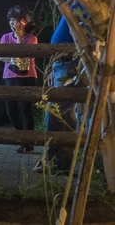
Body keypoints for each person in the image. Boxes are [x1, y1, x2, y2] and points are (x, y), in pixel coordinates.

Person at [36, 14, 80, 173]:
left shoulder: (85, 2)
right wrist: (53, 66)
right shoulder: (71, 3)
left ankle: (59, 162)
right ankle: (54, 159)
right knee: (56, 112)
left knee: (60, 112)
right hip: (61, 63)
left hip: (72, 62)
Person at [0, 5, 38, 153]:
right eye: (11, 20)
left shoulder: (31, 38)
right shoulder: (5, 37)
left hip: (27, 77)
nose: (13, 23)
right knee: (11, 111)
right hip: (9, 77)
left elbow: (26, 57)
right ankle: (23, 139)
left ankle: (29, 143)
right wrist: (17, 59)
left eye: (16, 20)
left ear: (24, 22)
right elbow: (1, 57)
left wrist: (20, 38)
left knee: (26, 110)